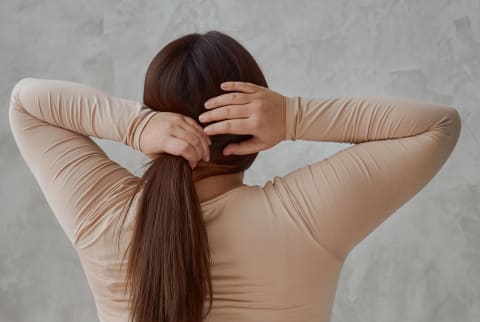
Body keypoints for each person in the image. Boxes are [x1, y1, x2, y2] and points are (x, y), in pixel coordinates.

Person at [8, 30, 461, 322]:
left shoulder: (104, 216)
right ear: (250, 124)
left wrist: (136, 126)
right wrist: (293, 117)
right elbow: (438, 126)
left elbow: (27, 103)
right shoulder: (302, 218)